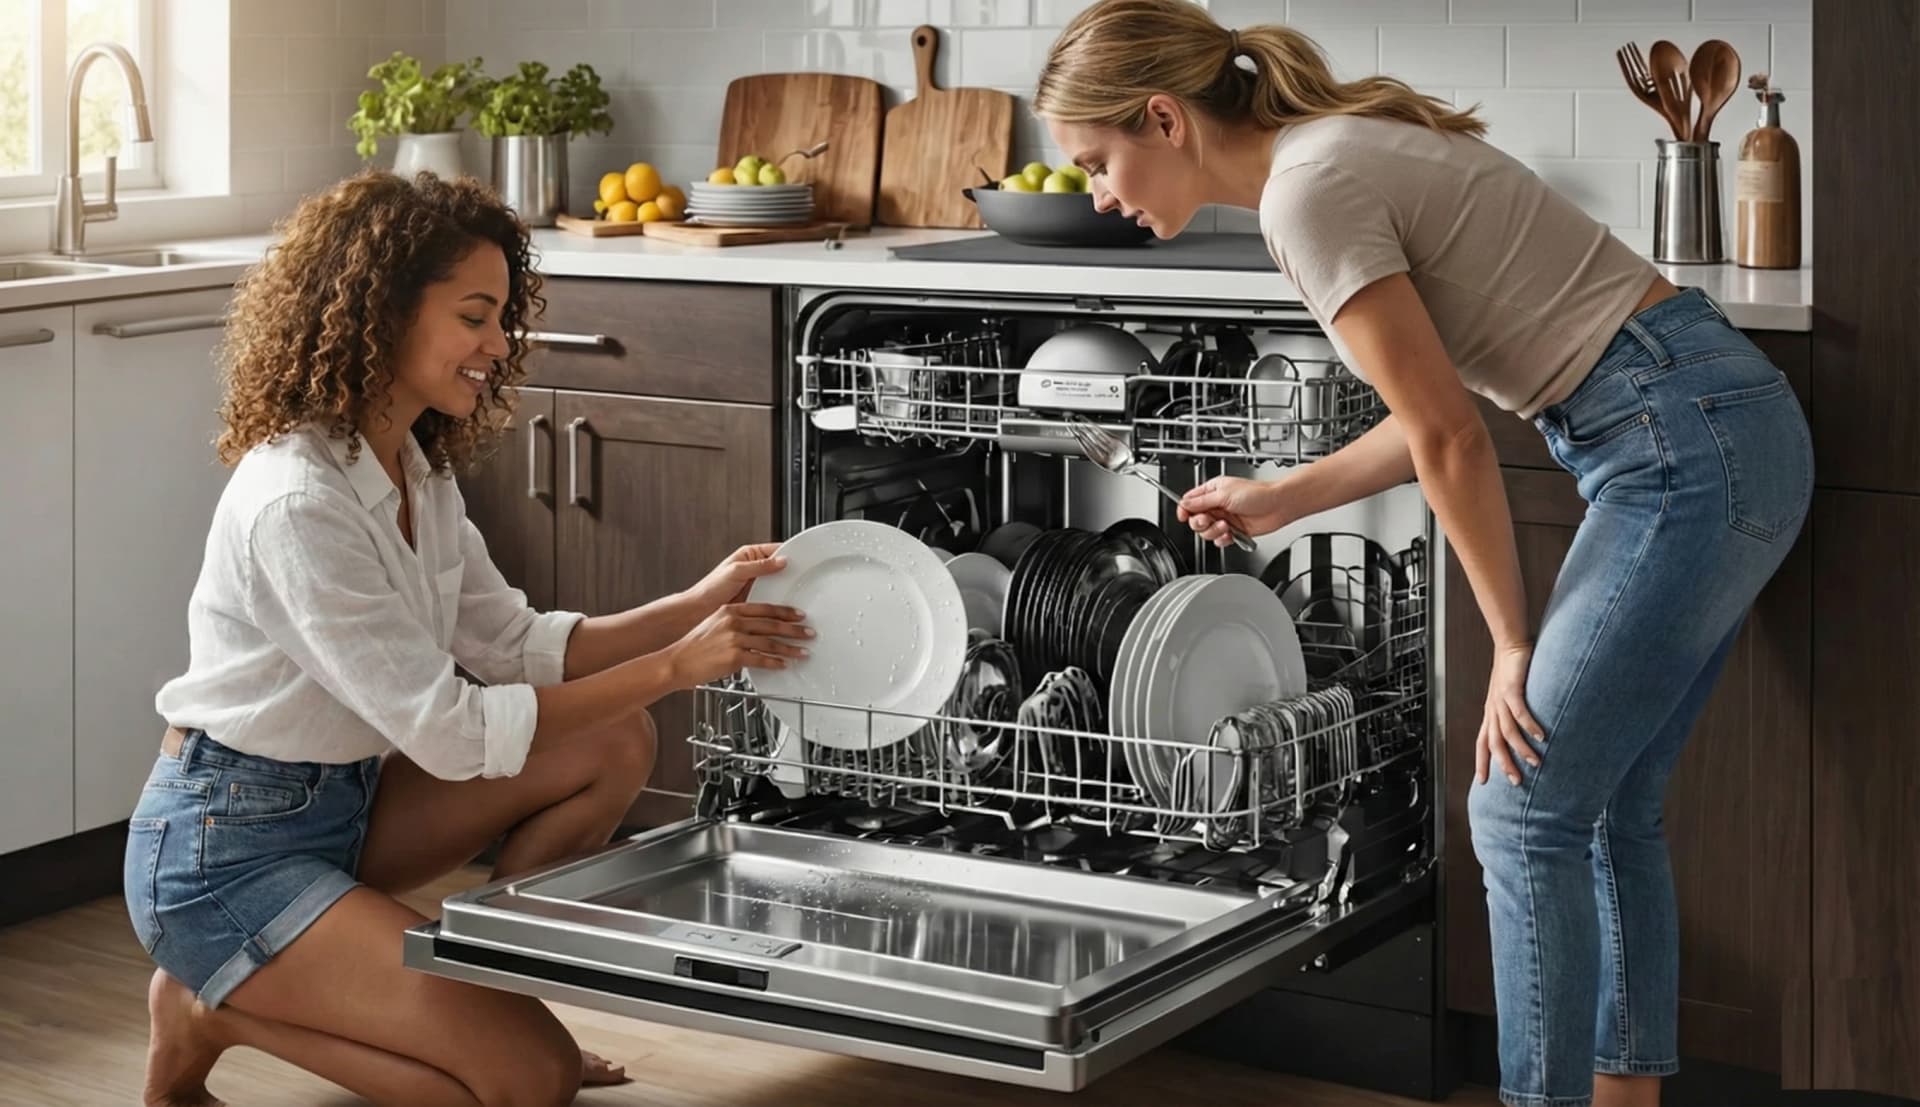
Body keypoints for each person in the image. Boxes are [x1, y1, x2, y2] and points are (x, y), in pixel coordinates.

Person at [1033, 4, 1812, 1107]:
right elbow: (1427, 415)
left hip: (1677, 443)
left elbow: (1451, 437)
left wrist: (1510, 642)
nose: (1099, 192)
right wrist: (1284, 497)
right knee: (1601, 805)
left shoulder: (1307, 191)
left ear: (1163, 118)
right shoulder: (1328, 155)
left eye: (1097, 162)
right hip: (1706, 420)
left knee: (1521, 805)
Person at [127, 170, 813, 1107]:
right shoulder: (299, 501)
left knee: (613, 739)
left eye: (502, 318)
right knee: (527, 1081)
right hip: (224, 851)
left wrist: (697, 604)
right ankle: (213, 1008)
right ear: (382, 315)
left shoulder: (410, 463)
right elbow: (451, 731)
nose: (499, 345)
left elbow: (519, 645)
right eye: (475, 317)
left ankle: (475, 987)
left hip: (346, 805)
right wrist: (676, 666)